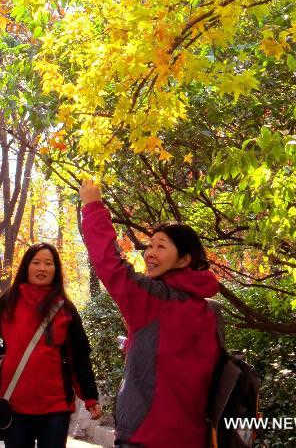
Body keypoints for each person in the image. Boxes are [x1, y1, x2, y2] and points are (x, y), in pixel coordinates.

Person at [79, 180, 220, 448]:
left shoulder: (151, 298)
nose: (150, 253)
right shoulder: (211, 310)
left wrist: (92, 207)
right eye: (150, 246)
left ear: (184, 259)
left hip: (145, 437)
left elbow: (110, 264)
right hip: (195, 438)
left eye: (161, 246)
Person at [0, 242, 102, 448]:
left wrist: (90, 397)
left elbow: (80, 355)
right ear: (26, 266)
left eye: (48, 263)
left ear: (56, 270)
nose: (42, 268)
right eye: (36, 262)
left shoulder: (65, 308)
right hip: (14, 403)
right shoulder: (8, 301)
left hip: (55, 406)